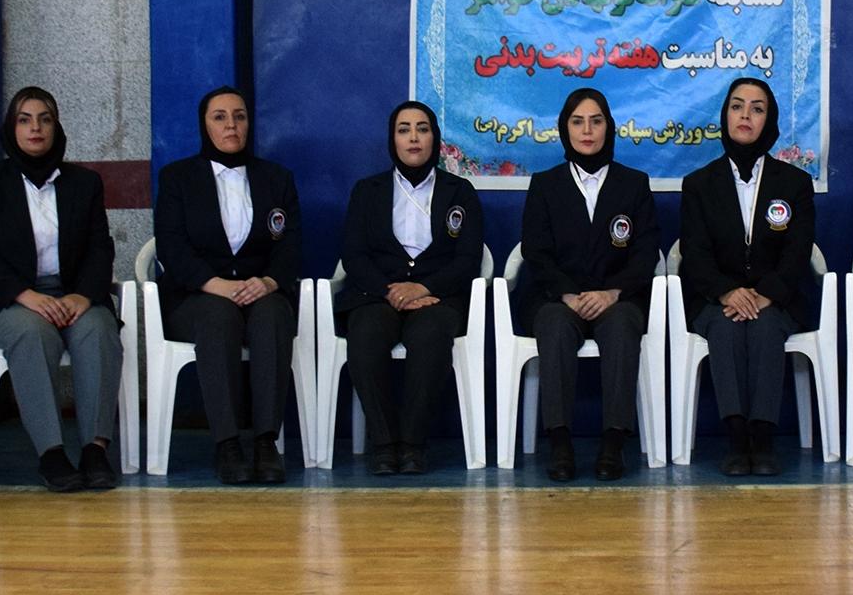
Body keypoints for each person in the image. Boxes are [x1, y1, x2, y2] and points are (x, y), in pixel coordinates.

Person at [0, 86, 122, 492]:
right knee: (33, 334)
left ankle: (95, 449)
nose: (35, 128)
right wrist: (26, 296)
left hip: (73, 294)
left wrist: (82, 296)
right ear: (11, 129)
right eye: (24, 120)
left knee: (98, 329)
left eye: (44, 119)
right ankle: (51, 453)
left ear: (56, 127)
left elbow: (100, 248)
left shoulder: (84, 183)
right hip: (14, 299)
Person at [152, 88, 303, 485]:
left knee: (274, 315)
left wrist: (268, 281)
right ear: (204, 125)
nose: (231, 125)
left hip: (260, 291)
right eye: (220, 117)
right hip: (197, 297)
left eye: (239, 116)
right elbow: (171, 245)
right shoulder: (178, 179)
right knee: (218, 317)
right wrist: (213, 283)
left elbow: (290, 246)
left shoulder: (276, 179)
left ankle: (266, 442)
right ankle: (228, 443)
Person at [334, 101, 486, 475]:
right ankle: (385, 445)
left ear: (435, 138)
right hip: (377, 295)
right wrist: (391, 291)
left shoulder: (459, 191)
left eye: (422, 128)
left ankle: (413, 445)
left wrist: (423, 287)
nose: (414, 137)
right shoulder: (367, 191)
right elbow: (354, 255)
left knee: (431, 337)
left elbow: (468, 259)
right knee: (366, 335)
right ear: (393, 139)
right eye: (404, 129)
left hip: (437, 297)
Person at [677, 78, 819, 476]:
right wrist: (726, 292)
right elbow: (695, 253)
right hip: (715, 300)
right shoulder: (699, 184)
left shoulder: (793, 183)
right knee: (725, 328)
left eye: (757, 109)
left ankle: (763, 436)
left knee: (766, 325)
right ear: (725, 116)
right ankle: (737, 437)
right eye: (737, 107)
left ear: (768, 120)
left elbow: (798, 250)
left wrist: (766, 294)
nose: (745, 116)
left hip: (776, 299)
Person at [518, 86, 658, 482]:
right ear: (565, 129)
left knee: (623, 325)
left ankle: (613, 442)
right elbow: (536, 252)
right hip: (558, 299)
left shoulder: (633, 183)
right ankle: (560, 443)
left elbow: (645, 253)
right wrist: (567, 293)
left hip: (617, 299)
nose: (587, 130)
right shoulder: (546, 184)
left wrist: (612, 293)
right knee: (554, 325)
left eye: (596, 121)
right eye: (577, 122)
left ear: (608, 128)